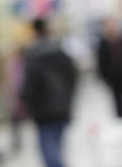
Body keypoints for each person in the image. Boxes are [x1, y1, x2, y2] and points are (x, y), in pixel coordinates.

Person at [20, 18, 77, 167]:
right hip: (62, 108)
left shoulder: (34, 55)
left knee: (49, 152)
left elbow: (29, 86)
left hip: (44, 112)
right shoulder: (61, 51)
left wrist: (26, 103)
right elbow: (73, 78)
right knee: (57, 148)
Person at [97, 19, 122, 119]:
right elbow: (101, 60)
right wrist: (103, 75)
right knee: (115, 95)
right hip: (111, 74)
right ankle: (118, 114)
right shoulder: (104, 42)